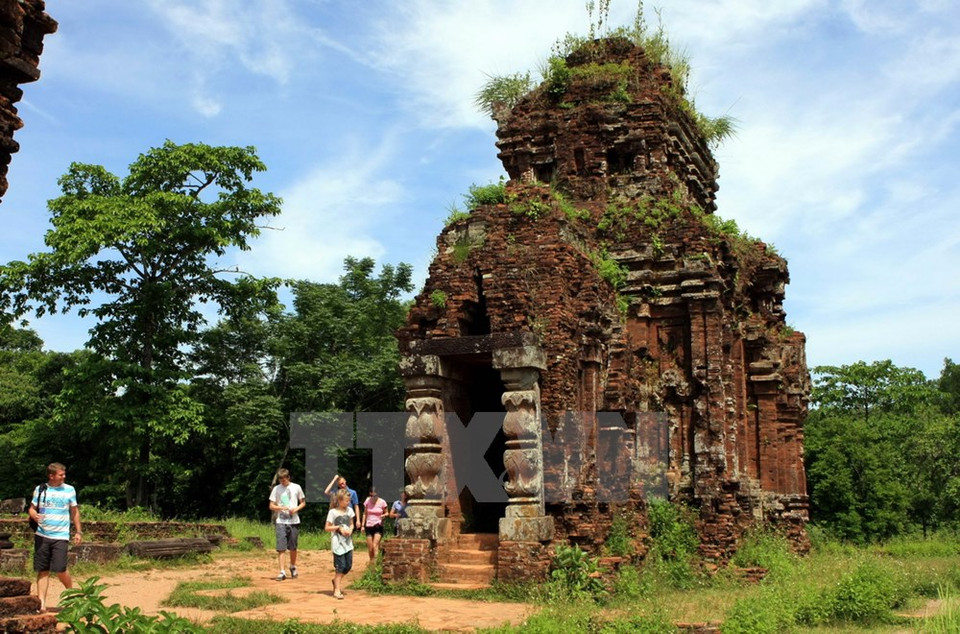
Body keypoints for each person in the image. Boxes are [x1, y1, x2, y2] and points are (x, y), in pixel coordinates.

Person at [28, 462, 82, 612]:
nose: (64, 476)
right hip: (42, 534)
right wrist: (34, 515)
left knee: (60, 569)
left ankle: (72, 594)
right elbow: (31, 508)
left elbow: (74, 511)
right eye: (61, 474)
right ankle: (42, 604)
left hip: (61, 535)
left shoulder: (69, 490)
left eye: (64, 474)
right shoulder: (40, 489)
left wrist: (78, 531)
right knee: (43, 570)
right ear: (51, 476)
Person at [268, 468, 305, 581]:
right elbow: (271, 505)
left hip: (294, 521)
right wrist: (280, 508)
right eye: (280, 480)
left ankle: (293, 566)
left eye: (284, 479)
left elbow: (303, 502)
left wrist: (296, 509)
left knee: (293, 547)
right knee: (281, 547)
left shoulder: (296, 487)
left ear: (288, 478)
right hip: (281, 521)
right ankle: (282, 571)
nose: (282, 482)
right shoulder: (276, 489)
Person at [325, 489, 355, 599]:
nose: (348, 502)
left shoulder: (350, 510)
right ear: (340, 500)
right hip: (337, 544)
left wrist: (350, 530)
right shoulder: (332, 512)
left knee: (348, 566)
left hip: (348, 543)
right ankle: (337, 590)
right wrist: (338, 527)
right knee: (340, 567)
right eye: (346, 501)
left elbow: (351, 524)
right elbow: (327, 527)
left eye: (349, 500)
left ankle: (335, 580)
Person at [361, 487, 388, 561]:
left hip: (378, 525)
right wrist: (362, 525)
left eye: (375, 495)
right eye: (372, 495)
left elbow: (387, 513)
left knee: (374, 545)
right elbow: (365, 513)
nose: (374, 496)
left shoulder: (382, 502)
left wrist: (384, 515)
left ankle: (376, 563)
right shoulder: (367, 501)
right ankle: (371, 561)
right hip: (369, 525)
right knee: (370, 548)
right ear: (370, 494)